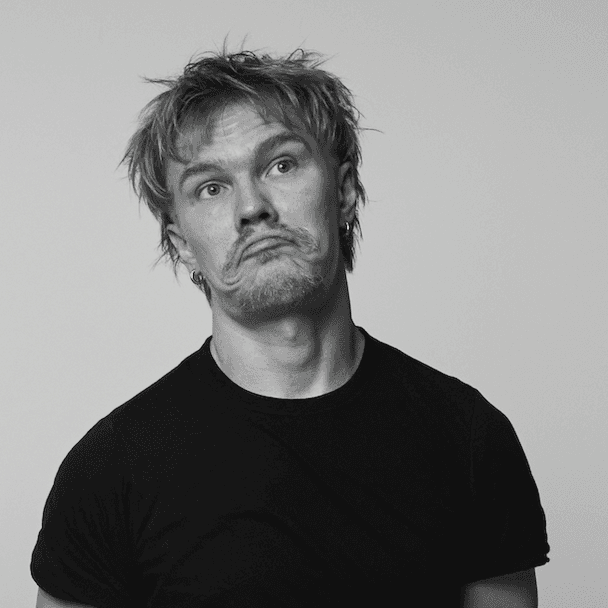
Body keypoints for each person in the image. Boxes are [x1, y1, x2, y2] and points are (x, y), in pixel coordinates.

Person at [31, 47, 550, 607]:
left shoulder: (468, 439)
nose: (253, 207)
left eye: (281, 165)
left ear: (343, 192)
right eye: (211, 187)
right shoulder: (109, 473)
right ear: (182, 242)